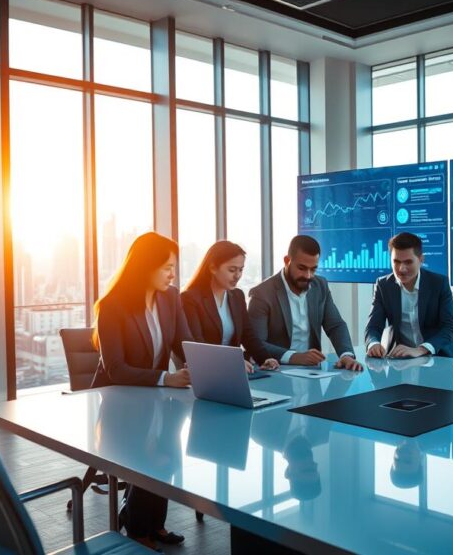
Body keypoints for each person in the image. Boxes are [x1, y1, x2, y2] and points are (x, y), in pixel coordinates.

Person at [90, 231, 192, 550]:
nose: (172, 274)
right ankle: (136, 527)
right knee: (148, 457)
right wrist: (165, 378)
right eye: (166, 267)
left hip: (154, 396)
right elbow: (115, 368)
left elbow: (184, 344)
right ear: (144, 268)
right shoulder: (112, 306)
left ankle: (154, 525)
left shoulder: (170, 297)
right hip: (118, 400)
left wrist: (215, 364)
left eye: (174, 267)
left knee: (167, 451)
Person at [248, 235, 362, 371]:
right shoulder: (262, 293)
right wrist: (293, 356)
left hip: (311, 371)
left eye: (313, 269)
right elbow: (256, 342)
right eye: (302, 268)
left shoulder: (320, 286)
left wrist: (346, 355)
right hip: (276, 370)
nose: (308, 276)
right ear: (286, 261)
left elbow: (335, 325)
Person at [182, 240, 279, 373]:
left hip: (233, 372)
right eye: (232, 270)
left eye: (241, 270)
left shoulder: (237, 296)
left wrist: (265, 358)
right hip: (206, 371)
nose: (237, 275)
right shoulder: (190, 299)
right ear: (213, 268)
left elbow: (247, 334)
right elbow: (198, 344)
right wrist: (230, 363)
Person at [364, 232, 453, 359]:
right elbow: (373, 326)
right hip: (401, 359)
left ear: (421, 259)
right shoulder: (383, 285)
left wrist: (421, 349)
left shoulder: (438, 283)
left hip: (438, 356)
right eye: (396, 262)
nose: (401, 269)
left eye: (408, 262)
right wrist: (374, 344)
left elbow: (451, 328)